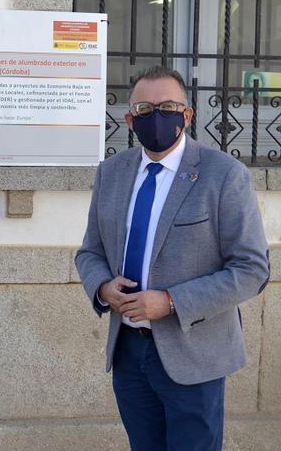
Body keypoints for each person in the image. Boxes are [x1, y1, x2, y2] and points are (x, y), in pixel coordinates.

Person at [75, 65, 269, 450]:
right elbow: (90, 252)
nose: (156, 117)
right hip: (129, 352)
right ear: (130, 119)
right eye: (144, 110)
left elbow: (252, 269)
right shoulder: (111, 173)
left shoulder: (223, 175)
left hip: (194, 354)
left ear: (188, 114)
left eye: (167, 106)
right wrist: (101, 286)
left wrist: (171, 301)